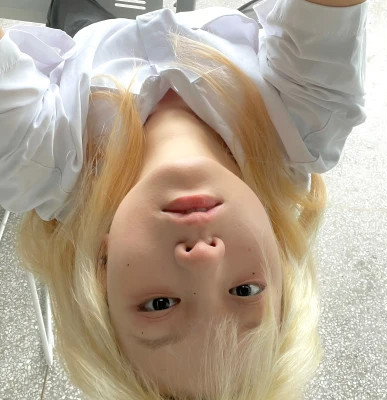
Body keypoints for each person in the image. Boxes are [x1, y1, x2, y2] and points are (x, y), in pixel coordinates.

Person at [0, 0, 368, 399]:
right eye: (246, 291)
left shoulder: (32, 161)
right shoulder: (308, 119)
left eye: (160, 303)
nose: (204, 258)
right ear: (280, 256)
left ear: (101, 279)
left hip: (78, 40)